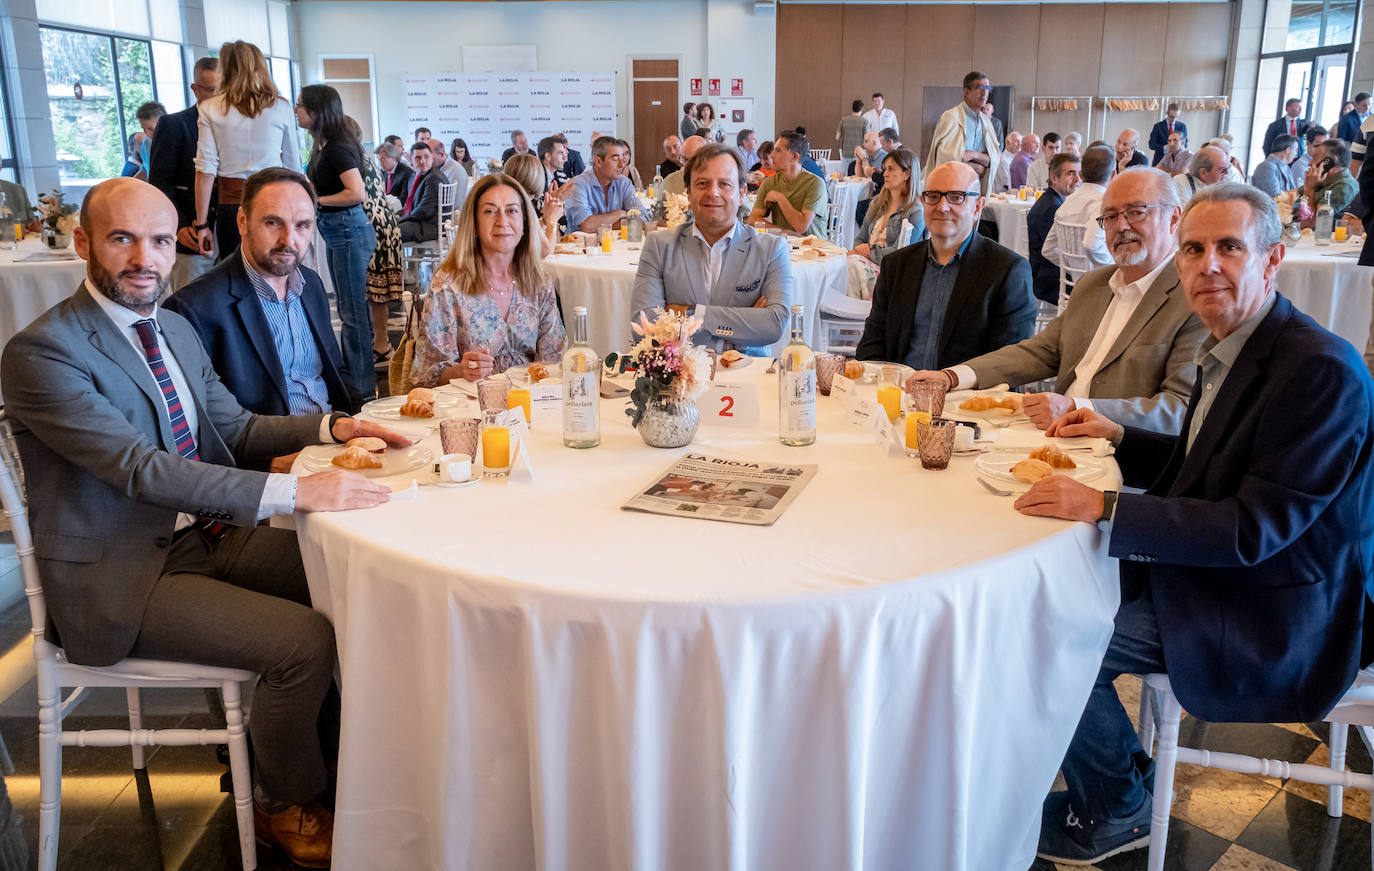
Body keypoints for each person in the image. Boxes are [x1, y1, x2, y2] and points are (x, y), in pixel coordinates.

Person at [1, 177, 407, 869]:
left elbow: (233, 424)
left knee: (361, 567)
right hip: (121, 572)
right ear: (83, 243)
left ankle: (346, 760)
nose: (144, 258)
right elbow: (141, 469)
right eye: (122, 238)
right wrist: (293, 490)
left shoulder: (172, 328)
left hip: (201, 537)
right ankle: (286, 799)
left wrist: (334, 423)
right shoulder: (43, 352)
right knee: (303, 641)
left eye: (160, 240)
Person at [1022, 183, 1374, 865]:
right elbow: (1208, 465)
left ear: (1272, 259)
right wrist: (1120, 435)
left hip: (1275, 608)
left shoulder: (1319, 370)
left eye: (1229, 247)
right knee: (1051, 588)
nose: (1207, 264)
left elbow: (1252, 528)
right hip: (1229, 573)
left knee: (1050, 632)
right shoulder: (1239, 342)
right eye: (1192, 249)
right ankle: (1124, 772)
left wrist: (1105, 506)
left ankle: (1121, 805)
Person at [912, 165, 1207, 435]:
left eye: (1136, 211)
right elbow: (1040, 351)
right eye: (1111, 216)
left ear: (1173, 218)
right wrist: (952, 376)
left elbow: (1181, 410)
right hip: (1053, 438)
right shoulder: (1094, 284)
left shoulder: (1194, 300)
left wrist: (1078, 408)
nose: (1122, 226)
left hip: (1117, 460)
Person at [164, 166, 356, 419]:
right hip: (274, 451)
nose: (289, 240)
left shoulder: (311, 285)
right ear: (242, 221)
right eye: (273, 222)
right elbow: (206, 419)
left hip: (338, 435)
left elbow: (336, 371)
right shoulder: (193, 309)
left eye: (302, 225)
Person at [856, 162, 1034, 367]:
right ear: (923, 201)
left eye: (957, 197)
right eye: (933, 196)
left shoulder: (1007, 271)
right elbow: (872, 344)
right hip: (899, 392)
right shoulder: (896, 266)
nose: (942, 207)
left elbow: (1009, 363)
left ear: (977, 207)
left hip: (968, 395)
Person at [631, 144, 792, 355]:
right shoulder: (659, 246)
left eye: (724, 184)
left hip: (748, 374)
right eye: (702, 183)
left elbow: (774, 324)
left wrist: (693, 314)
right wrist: (736, 330)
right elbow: (643, 327)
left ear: (742, 194)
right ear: (688, 194)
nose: (713, 192)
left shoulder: (771, 249)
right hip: (677, 376)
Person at [409, 174, 565, 387]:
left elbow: (554, 363)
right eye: (490, 211)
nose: (502, 221)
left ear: (525, 222)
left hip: (531, 404)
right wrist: (461, 370)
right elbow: (424, 376)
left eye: (512, 211)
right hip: (469, 408)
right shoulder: (449, 285)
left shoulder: (539, 282)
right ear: (474, 222)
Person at [294, 85, 377, 403]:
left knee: (352, 312)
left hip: (347, 229)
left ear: (317, 110)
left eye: (300, 105)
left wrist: (316, 200)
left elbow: (356, 193)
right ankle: (358, 383)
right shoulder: (323, 144)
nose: (297, 111)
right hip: (340, 229)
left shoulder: (338, 145)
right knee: (350, 309)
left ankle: (362, 391)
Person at [194, 40, 299, 263]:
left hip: (232, 205)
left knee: (235, 272)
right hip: (276, 201)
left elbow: (205, 170)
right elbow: (293, 167)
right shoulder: (281, 106)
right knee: (276, 267)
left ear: (225, 70)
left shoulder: (211, 108)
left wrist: (202, 224)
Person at [148, 56, 219, 292]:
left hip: (231, 229)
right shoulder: (174, 124)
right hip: (191, 233)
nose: (219, 97)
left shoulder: (237, 124)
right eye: (211, 90)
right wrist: (179, 224)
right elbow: (159, 182)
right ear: (195, 89)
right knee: (192, 301)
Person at [342, 116, 405, 366]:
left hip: (372, 226)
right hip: (384, 224)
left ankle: (381, 345)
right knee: (377, 291)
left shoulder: (352, 159)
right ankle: (382, 343)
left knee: (375, 291)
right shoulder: (364, 156)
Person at [1043, 145, 1116, 271]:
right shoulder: (1102, 204)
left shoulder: (1066, 203)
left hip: (1075, 283)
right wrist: (1113, 268)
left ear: (1081, 175)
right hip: (1099, 282)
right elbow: (1091, 245)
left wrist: (1072, 268)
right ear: (1113, 174)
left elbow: (1048, 250)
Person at [926, 71, 1001, 195]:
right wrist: (979, 167)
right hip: (951, 189)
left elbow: (994, 159)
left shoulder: (987, 123)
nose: (985, 93)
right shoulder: (951, 117)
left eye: (988, 88)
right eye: (980, 87)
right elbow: (946, 159)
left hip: (975, 190)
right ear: (966, 92)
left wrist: (973, 155)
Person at [747, 130, 829, 238]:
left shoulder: (815, 184)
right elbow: (753, 220)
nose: (771, 155)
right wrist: (781, 232)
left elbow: (800, 227)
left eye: (778, 151)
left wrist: (780, 198)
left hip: (814, 250)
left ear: (794, 157)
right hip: (785, 248)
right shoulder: (769, 183)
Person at [1024, 152, 1080, 304]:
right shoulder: (1052, 207)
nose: (1077, 179)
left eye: (1079, 173)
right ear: (1054, 178)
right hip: (1048, 280)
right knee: (1094, 287)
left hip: (1050, 272)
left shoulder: (1054, 200)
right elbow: (1058, 251)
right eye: (1071, 173)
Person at [851, 149, 923, 264]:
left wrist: (868, 253)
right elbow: (860, 238)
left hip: (892, 272)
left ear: (907, 174)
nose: (884, 174)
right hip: (868, 264)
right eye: (885, 169)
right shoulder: (876, 203)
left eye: (891, 169)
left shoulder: (916, 211)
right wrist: (860, 249)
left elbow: (899, 252)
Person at [564, 136, 640, 232]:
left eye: (623, 158)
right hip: (581, 246)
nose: (622, 164)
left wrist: (603, 224)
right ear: (598, 162)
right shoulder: (578, 184)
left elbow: (642, 216)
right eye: (615, 159)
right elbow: (587, 225)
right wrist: (619, 214)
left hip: (616, 244)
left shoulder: (624, 183)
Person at [503, 153, 566, 254]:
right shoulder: (519, 207)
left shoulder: (512, 203)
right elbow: (545, 251)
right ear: (538, 178)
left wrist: (544, 220)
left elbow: (530, 234)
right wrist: (551, 221)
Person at [1301, 136, 1358, 217]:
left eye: (1315, 158)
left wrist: (1309, 189)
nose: (1309, 163)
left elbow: (1309, 223)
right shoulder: (1324, 179)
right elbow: (1289, 199)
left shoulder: (1345, 187)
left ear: (1330, 162)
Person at [398, 141, 443, 242]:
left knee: (390, 231)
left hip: (430, 227)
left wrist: (401, 219)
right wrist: (395, 216)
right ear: (411, 161)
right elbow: (411, 206)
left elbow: (424, 211)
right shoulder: (418, 177)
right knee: (388, 226)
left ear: (432, 158)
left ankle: (392, 258)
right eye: (417, 158)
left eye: (426, 157)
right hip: (421, 223)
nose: (422, 161)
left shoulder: (433, 178)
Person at [659, 136, 705, 200]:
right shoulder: (669, 183)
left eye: (694, 159)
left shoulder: (717, 182)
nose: (689, 164)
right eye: (686, 159)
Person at [429, 138, 470, 202]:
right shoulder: (437, 168)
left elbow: (455, 205)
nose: (425, 160)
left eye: (428, 156)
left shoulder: (456, 170)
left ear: (441, 155)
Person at [134, 102, 166, 180]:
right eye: (143, 129)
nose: (147, 134)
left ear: (165, 123)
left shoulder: (177, 141)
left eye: (151, 129)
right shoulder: (146, 143)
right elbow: (145, 171)